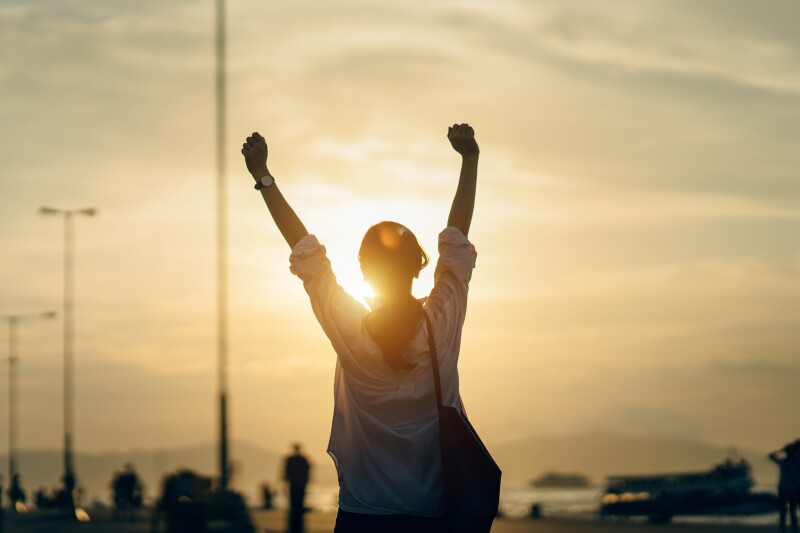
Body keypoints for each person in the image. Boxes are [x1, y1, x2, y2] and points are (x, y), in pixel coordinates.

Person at [241, 123, 481, 533]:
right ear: (418, 265)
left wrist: (263, 177)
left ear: (365, 272)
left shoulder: (350, 329)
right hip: (433, 514)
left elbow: (305, 252)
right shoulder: (440, 322)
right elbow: (456, 240)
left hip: (362, 514)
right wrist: (470, 159)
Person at [770, 440, 800, 533]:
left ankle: (788, 529)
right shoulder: (794, 462)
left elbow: (771, 456)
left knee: (789, 511)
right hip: (790, 489)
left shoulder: (787, 462)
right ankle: (790, 529)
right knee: (789, 511)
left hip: (788, 489)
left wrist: (782, 450)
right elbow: (770, 456)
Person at [283, 443, 311, 533]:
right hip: (300, 484)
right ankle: (297, 522)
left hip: (294, 484)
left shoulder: (290, 459)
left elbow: (286, 472)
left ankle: (294, 522)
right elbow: (308, 471)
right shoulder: (303, 459)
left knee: (294, 503)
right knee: (299, 502)